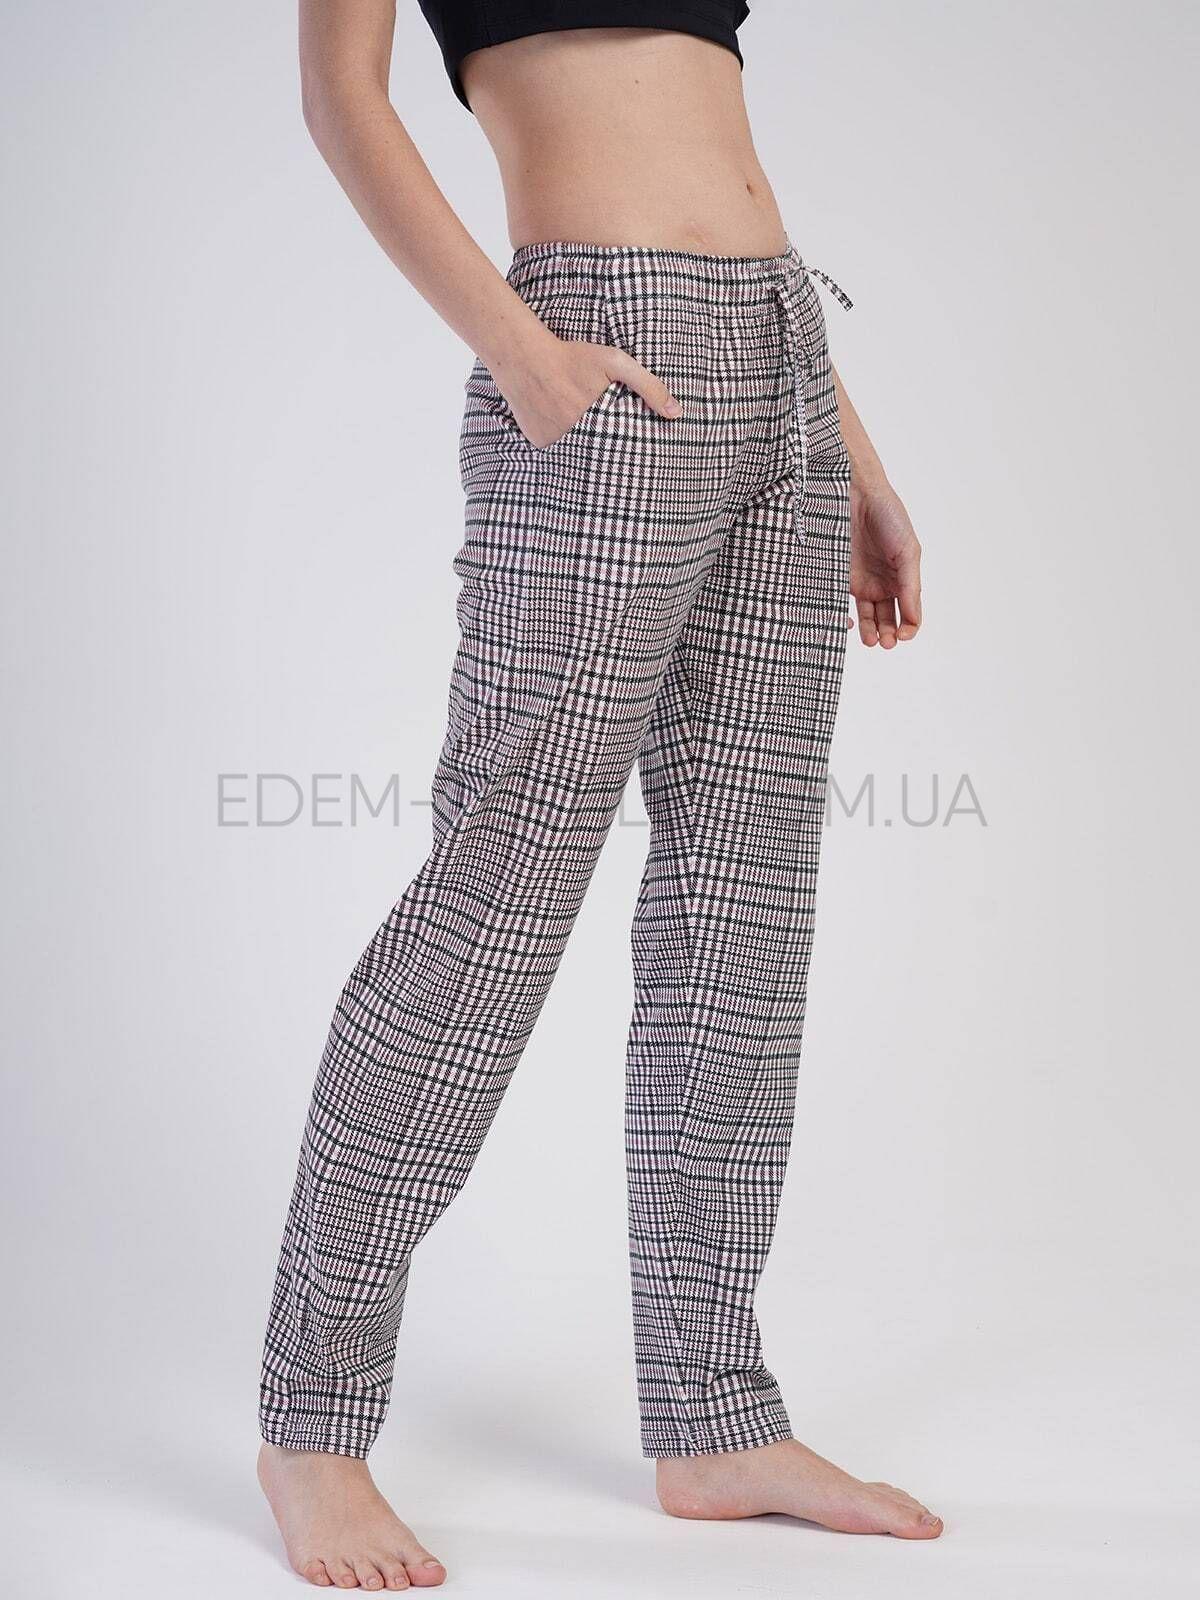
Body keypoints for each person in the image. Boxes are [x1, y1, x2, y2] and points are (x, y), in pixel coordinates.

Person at [257, 2, 936, 1588]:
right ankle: (312, 1424)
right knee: (493, 902)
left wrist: (855, 455)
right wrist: (519, 347)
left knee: (742, 919)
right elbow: (340, 95)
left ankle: (714, 1415)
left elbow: (721, 158)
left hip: (782, 355)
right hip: (598, 349)